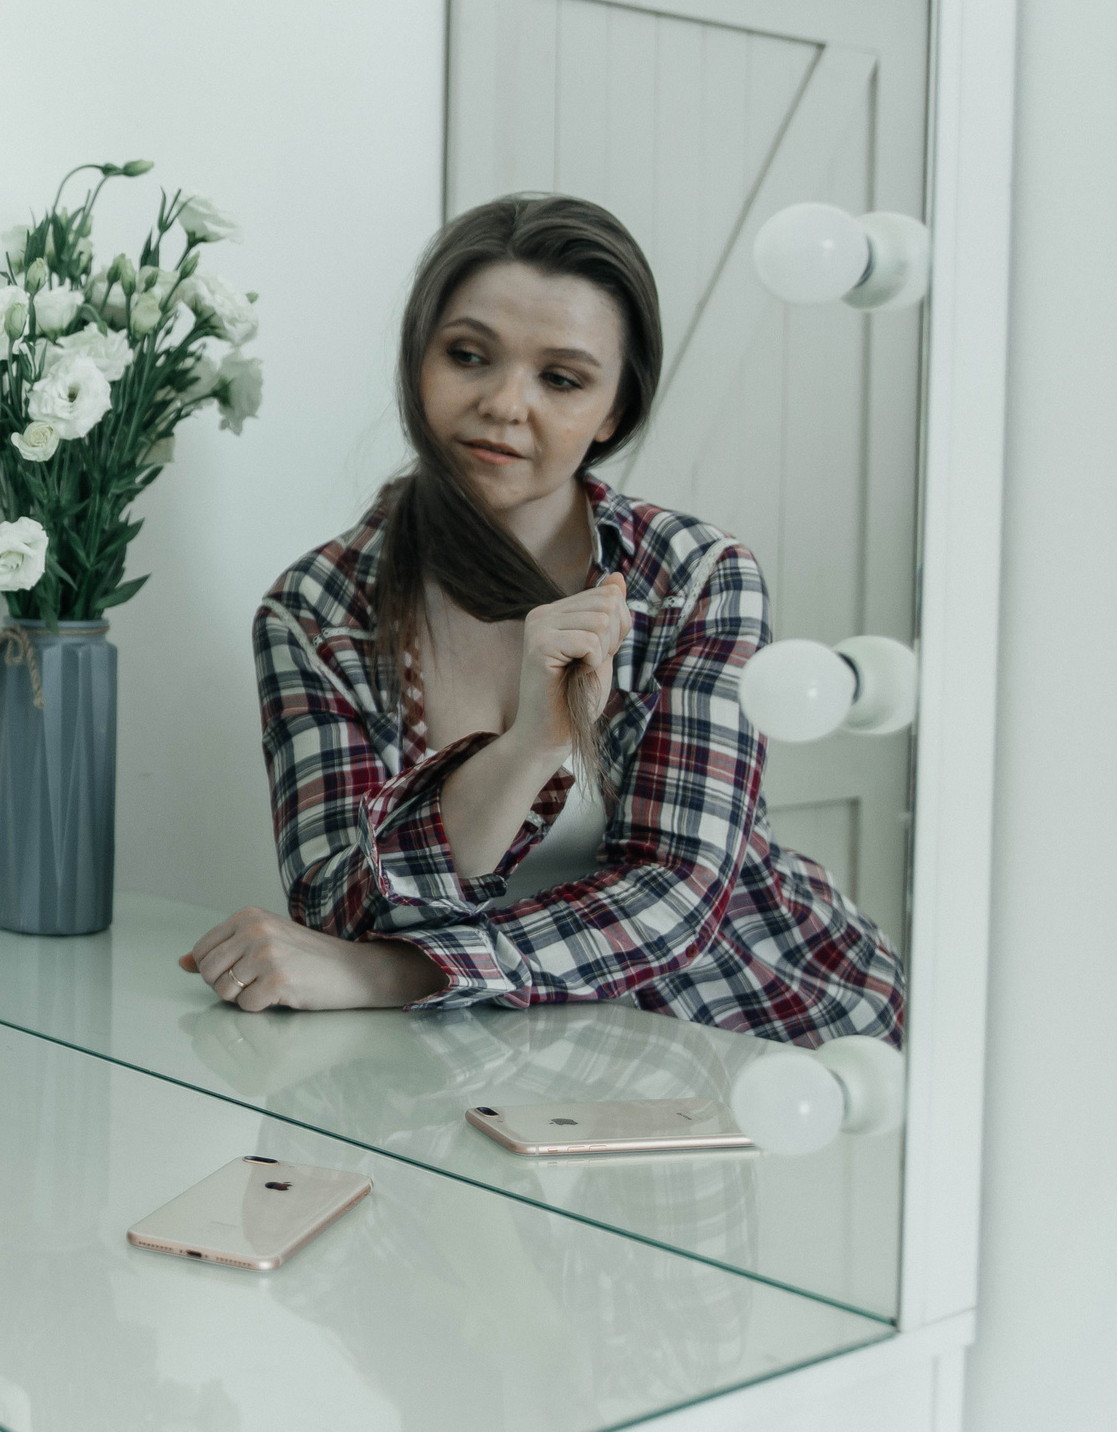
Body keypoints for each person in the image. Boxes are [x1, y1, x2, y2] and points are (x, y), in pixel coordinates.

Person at [182, 194, 903, 1048]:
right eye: (468, 355)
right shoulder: (318, 611)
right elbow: (336, 906)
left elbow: (675, 894)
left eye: (561, 378)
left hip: (762, 1031)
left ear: (615, 410)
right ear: (417, 359)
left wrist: (406, 972)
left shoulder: (694, 576)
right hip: (499, 1062)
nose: (504, 403)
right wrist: (530, 744)